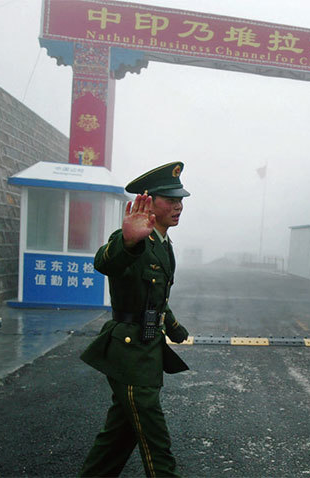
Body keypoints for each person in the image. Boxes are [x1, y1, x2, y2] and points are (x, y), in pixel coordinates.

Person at [80, 162, 192, 477]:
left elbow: (154, 298)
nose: (178, 206)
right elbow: (103, 262)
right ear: (148, 201)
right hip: (129, 353)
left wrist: (173, 326)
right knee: (156, 443)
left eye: (180, 199)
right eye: (170, 200)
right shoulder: (135, 238)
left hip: (146, 350)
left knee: (119, 437)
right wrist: (127, 242)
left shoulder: (164, 244)